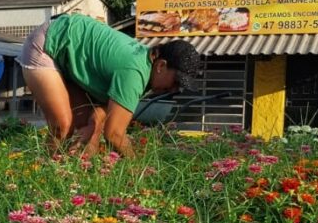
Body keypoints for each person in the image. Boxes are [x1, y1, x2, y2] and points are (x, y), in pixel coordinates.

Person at [19, 13, 201, 160]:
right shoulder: (135, 72)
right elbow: (114, 133)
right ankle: (42, 173)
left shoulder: (145, 72)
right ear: (161, 65)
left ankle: (71, 175)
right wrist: (137, 169)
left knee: (87, 126)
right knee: (62, 126)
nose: (174, 90)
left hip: (69, 49)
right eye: (176, 82)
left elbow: (102, 115)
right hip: (48, 43)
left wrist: (95, 126)